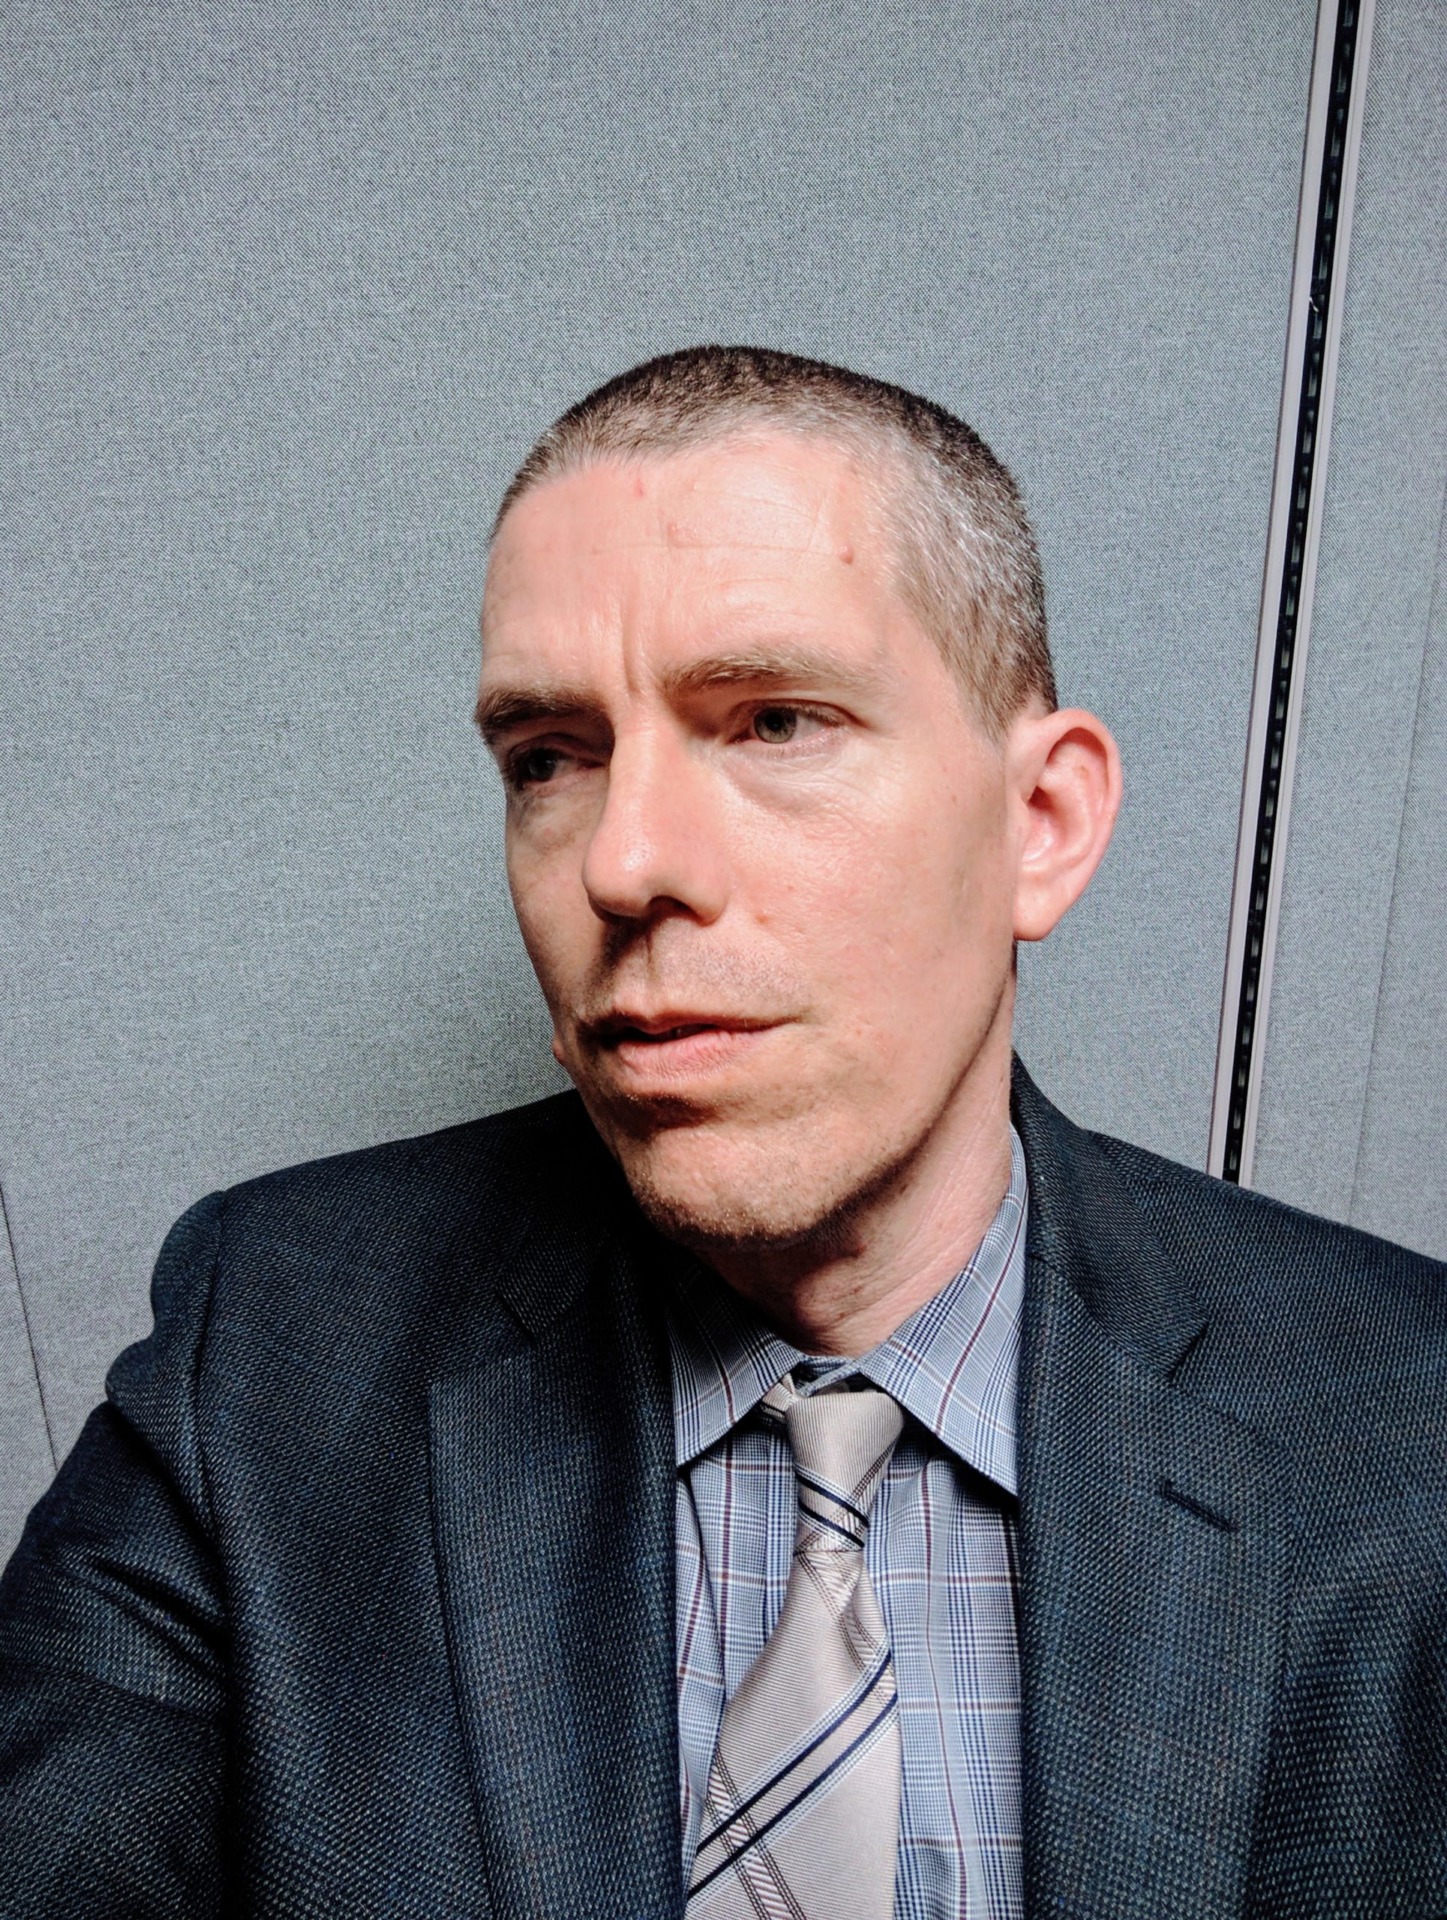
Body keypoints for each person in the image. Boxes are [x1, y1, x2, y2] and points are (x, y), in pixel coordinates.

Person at [1, 346, 1443, 1920]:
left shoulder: (1407, 1421)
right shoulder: (273, 1344)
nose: (624, 863)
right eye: (549, 757)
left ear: (1040, 825)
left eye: (773, 723)